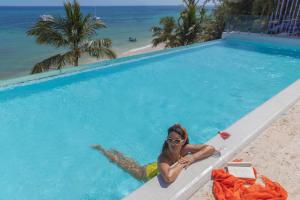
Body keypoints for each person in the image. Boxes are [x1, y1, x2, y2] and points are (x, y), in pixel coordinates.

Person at [91, 124, 216, 183]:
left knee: (127, 161)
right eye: (169, 140)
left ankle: (113, 151)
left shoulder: (185, 148)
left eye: (177, 141)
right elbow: (168, 178)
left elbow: (210, 148)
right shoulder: (163, 157)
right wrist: (183, 161)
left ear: (183, 141)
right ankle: (102, 150)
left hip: (157, 167)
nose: (172, 144)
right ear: (166, 139)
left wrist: (192, 157)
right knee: (120, 162)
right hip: (144, 173)